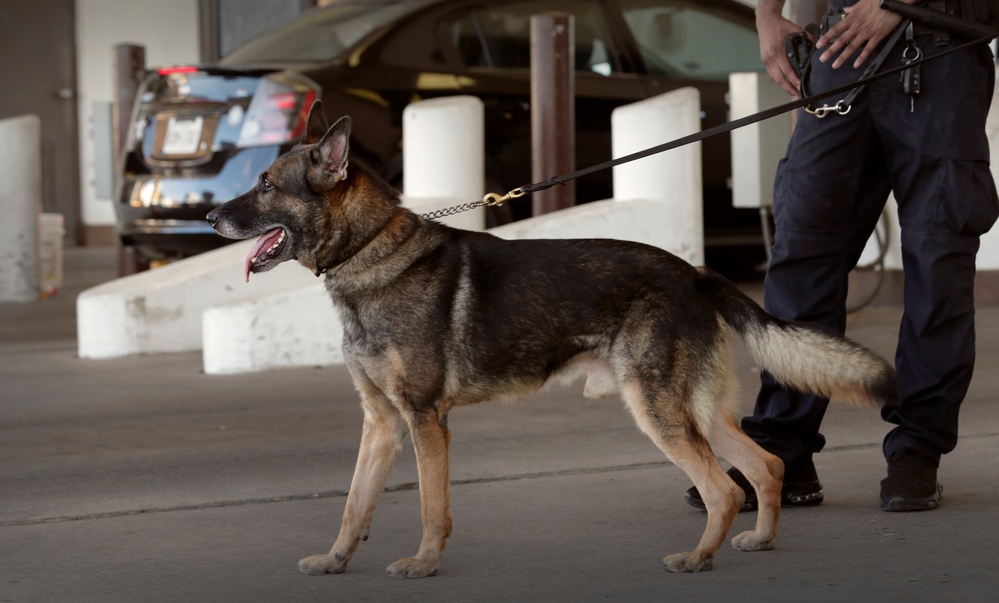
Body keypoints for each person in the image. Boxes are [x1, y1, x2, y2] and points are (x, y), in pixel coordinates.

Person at [686, 0, 999, 512]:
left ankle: (917, 449)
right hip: (842, 49)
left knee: (937, 263)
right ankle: (784, 447)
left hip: (942, 50)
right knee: (801, 257)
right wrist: (767, 13)